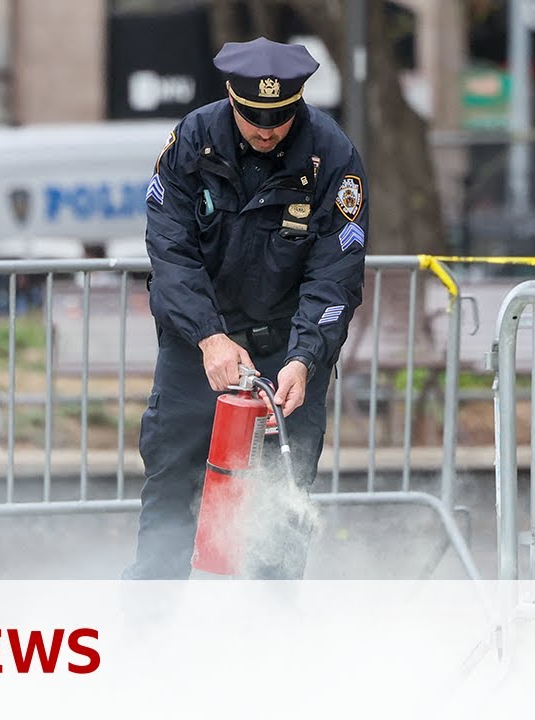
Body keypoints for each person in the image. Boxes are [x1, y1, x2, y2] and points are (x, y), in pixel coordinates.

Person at [123, 37, 369, 580]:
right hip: (199, 347)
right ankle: (149, 625)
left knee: (281, 497)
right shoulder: (193, 140)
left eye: (279, 116)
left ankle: (268, 633)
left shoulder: (333, 157)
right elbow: (170, 251)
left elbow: (335, 275)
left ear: (299, 102)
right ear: (230, 99)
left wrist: (305, 357)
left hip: (287, 348)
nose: (266, 128)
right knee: (172, 480)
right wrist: (209, 336)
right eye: (253, 116)